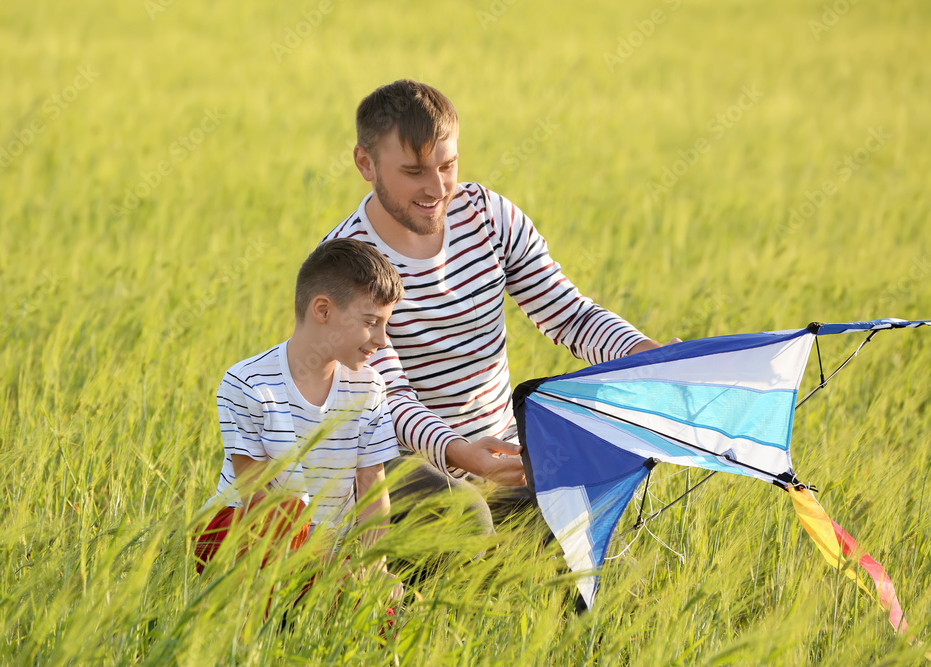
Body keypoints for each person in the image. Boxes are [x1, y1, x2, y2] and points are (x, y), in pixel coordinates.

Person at [323, 80, 678, 529]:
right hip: (395, 465)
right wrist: (461, 455)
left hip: (499, 453)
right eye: (414, 172)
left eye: (447, 166)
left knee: (592, 515)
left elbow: (570, 315)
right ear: (365, 163)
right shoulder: (347, 265)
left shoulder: (488, 216)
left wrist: (644, 355)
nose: (436, 188)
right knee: (467, 517)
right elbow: (391, 402)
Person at [193, 238, 405, 600]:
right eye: (371, 322)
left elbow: (372, 485)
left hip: (323, 550)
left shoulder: (370, 388)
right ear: (322, 310)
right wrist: (326, 562)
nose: (382, 340)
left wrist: (373, 567)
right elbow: (256, 493)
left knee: (378, 614)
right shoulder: (248, 382)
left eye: (385, 325)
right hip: (246, 531)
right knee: (285, 515)